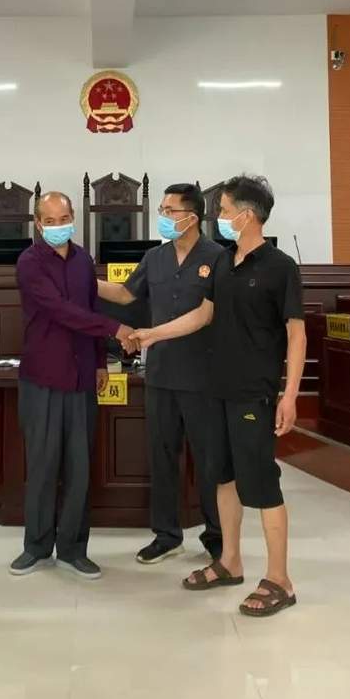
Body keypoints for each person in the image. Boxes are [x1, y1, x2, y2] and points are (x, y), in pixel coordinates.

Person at [132, 175, 306, 617]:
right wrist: (154, 334)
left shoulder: (280, 266)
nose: (220, 217)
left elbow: (296, 333)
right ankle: (229, 561)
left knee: (261, 484)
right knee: (222, 478)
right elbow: (202, 315)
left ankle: (280, 579)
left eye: (225, 210)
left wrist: (290, 395)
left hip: (254, 393)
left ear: (247, 215)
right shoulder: (223, 261)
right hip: (216, 390)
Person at [10, 192, 135, 579]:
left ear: (73, 217)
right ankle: (36, 547)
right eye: (50, 220)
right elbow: (60, 311)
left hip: (82, 377)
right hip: (43, 377)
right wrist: (116, 329)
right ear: (38, 223)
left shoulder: (83, 260)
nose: (58, 225)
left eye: (64, 218)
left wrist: (99, 361)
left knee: (80, 467)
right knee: (43, 465)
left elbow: (91, 310)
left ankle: (73, 549)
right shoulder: (29, 262)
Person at [98, 183, 224, 564]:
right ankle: (167, 535)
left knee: (209, 460)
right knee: (162, 456)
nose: (164, 217)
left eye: (171, 211)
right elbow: (125, 295)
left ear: (192, 217)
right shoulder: (155, 257)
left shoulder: (218, 257)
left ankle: (218, 536)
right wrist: (81, 280)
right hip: (161, 374)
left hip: (204, 376)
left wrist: (152, 334)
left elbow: (209, 314)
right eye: (163, 210)